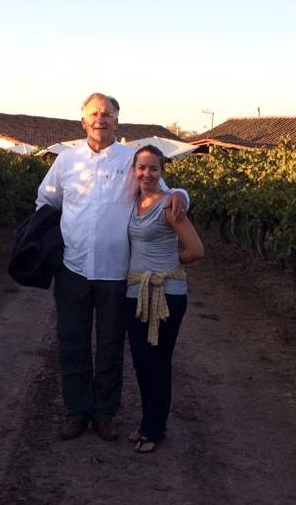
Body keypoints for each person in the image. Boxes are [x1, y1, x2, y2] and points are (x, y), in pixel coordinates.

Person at [35, 93, 189, 441]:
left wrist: (182, 193)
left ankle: (104, 413)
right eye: (94, 114)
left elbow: (163, 192)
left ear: (117, 121)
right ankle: (76, 412)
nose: (100, 119)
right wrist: (49, 245)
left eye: (107, 114)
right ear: (83, 121)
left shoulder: (130, 159)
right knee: (72, 342)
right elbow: (46, 201)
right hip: (72, 267)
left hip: (117, 270)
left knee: (110, 343)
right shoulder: (66, 161)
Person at [125, 145, 204, 454]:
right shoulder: (134, 202)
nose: (147, 173)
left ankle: (154, 429)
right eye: (142, 168)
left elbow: (196, 250)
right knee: (140, 362)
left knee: (158, 361)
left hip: (166, 294)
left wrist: (169, 266)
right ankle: (149, 421)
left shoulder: (170, 205)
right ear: (134, 171)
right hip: (136, 292)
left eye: (153, 168)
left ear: (162, 172)